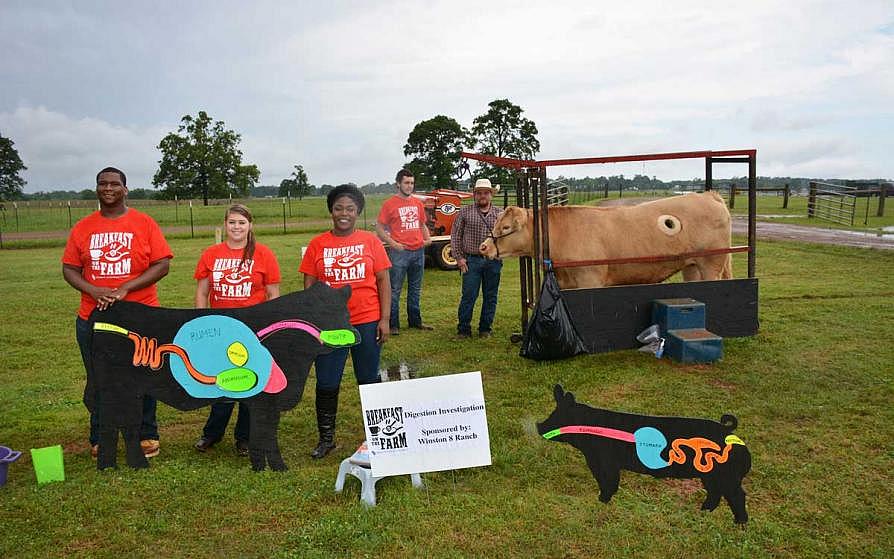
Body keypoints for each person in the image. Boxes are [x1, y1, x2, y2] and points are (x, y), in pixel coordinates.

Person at [62, 166, 173, 458]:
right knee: (100, 379)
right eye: (102, 183)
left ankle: (146, 434)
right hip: (93, 318)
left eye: (114, 183)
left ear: (125, 189)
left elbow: (162, 264)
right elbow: (69, 268)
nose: (108, 188)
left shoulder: (144, 223)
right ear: (97, 189)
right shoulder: (83, 227)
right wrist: (93, 289)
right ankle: (101, 436)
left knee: (144, 374)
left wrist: (126, 288)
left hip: (142, 315)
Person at [299, 184, 391, 459]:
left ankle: (377, 435)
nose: (344, 213)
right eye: (338, 208)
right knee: (327, 380)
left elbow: (384, 281)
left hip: (366, 320)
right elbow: (309, 287)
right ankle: (326, 438)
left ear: (358, 212)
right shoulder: (318, 244)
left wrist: (385, 319)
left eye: (350, 209)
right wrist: (314, 323)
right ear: (331, 211)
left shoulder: (370, 241)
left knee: (368, 378)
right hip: (330, 324)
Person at [193, 204, 281, 456]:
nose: (236, 227)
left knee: (249, 381)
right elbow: (202, 291)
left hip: (252, 328)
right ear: (225, 224)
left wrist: (270, 326)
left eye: (242, 223)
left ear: (250, 226)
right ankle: (212, 433)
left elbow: (273, 294)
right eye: (232, 222)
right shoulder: (211, 254)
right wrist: (203, 322)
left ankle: (245, 437)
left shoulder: (263, 254)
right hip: (220, 328)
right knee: (220, 381)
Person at [375, 168, 432, 335]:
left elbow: (422, 224)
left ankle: (415, 322)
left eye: (412, 183)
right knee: (394, 290)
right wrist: (393, 243)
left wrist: (427, 238)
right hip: (400, 253)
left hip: (418, 252)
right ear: (398, 184)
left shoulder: (417, 203)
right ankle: (393, 325)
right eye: (406, 183)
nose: (409, 186)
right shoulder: (389, 204)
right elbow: (379, 228)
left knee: (415, 289)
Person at [450, 178, 504, 339]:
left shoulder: (499, 214)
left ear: (491, 195)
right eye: (479, 193)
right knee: (469, 296)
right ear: (474, 194)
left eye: (486, 193)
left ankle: (485, 328)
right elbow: (455, 236)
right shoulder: (464, 212)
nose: (482, 196)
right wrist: (459, 258)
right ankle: (464, 329)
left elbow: (505, 236)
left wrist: (501, 254)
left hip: (493, 261)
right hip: (471, 260)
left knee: (491, 296)